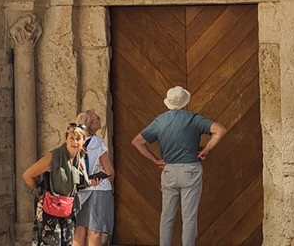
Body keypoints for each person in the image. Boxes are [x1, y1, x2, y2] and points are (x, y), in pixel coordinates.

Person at [131, 86, 227, 246]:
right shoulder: (193, 119)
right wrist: (206, 150)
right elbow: (220, 130)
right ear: (185, 101)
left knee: (167, 216)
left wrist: (155, 160)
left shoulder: (160, 121)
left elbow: (137, 142)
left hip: (169, 171)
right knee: (189, 217)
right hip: (191, 170)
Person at [24, 121, 95, 246]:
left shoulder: (80, 157)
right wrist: (42, 191)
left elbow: (75, 184)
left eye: (78, 139)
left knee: (67, 243)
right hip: (50, 208)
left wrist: (91, 182)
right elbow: (28, 175)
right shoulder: (53, 157)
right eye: (71, 138)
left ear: (84, 140)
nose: (75, 142)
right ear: (66, 139)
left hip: (67, 208)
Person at [73, 110, 115, 246]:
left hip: (79, 188)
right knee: (95, 231)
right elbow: (109, 172)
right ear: (91, 124)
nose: (99, 119)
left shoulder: (74, 142)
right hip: (98, 189)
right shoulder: (98, 143)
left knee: (79, 228)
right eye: (97, 118)